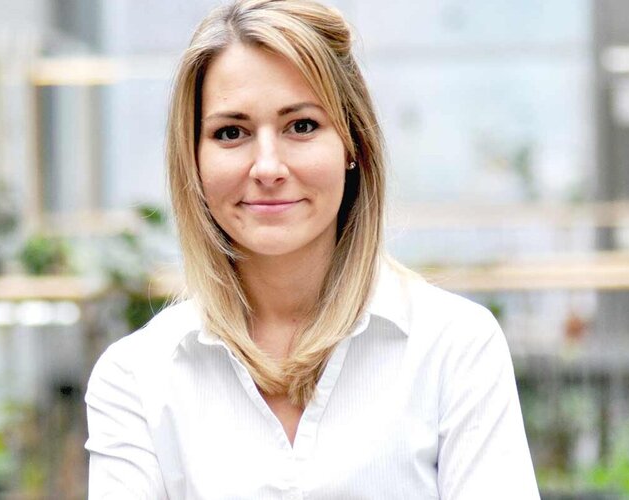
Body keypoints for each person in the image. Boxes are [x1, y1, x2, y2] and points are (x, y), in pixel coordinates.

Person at [85, 0, 540, 498]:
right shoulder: (136, 379)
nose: (268, 167)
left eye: (301, 126)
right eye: (231, 132)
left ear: (353, 144)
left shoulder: (454, 348)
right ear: (192, 161)